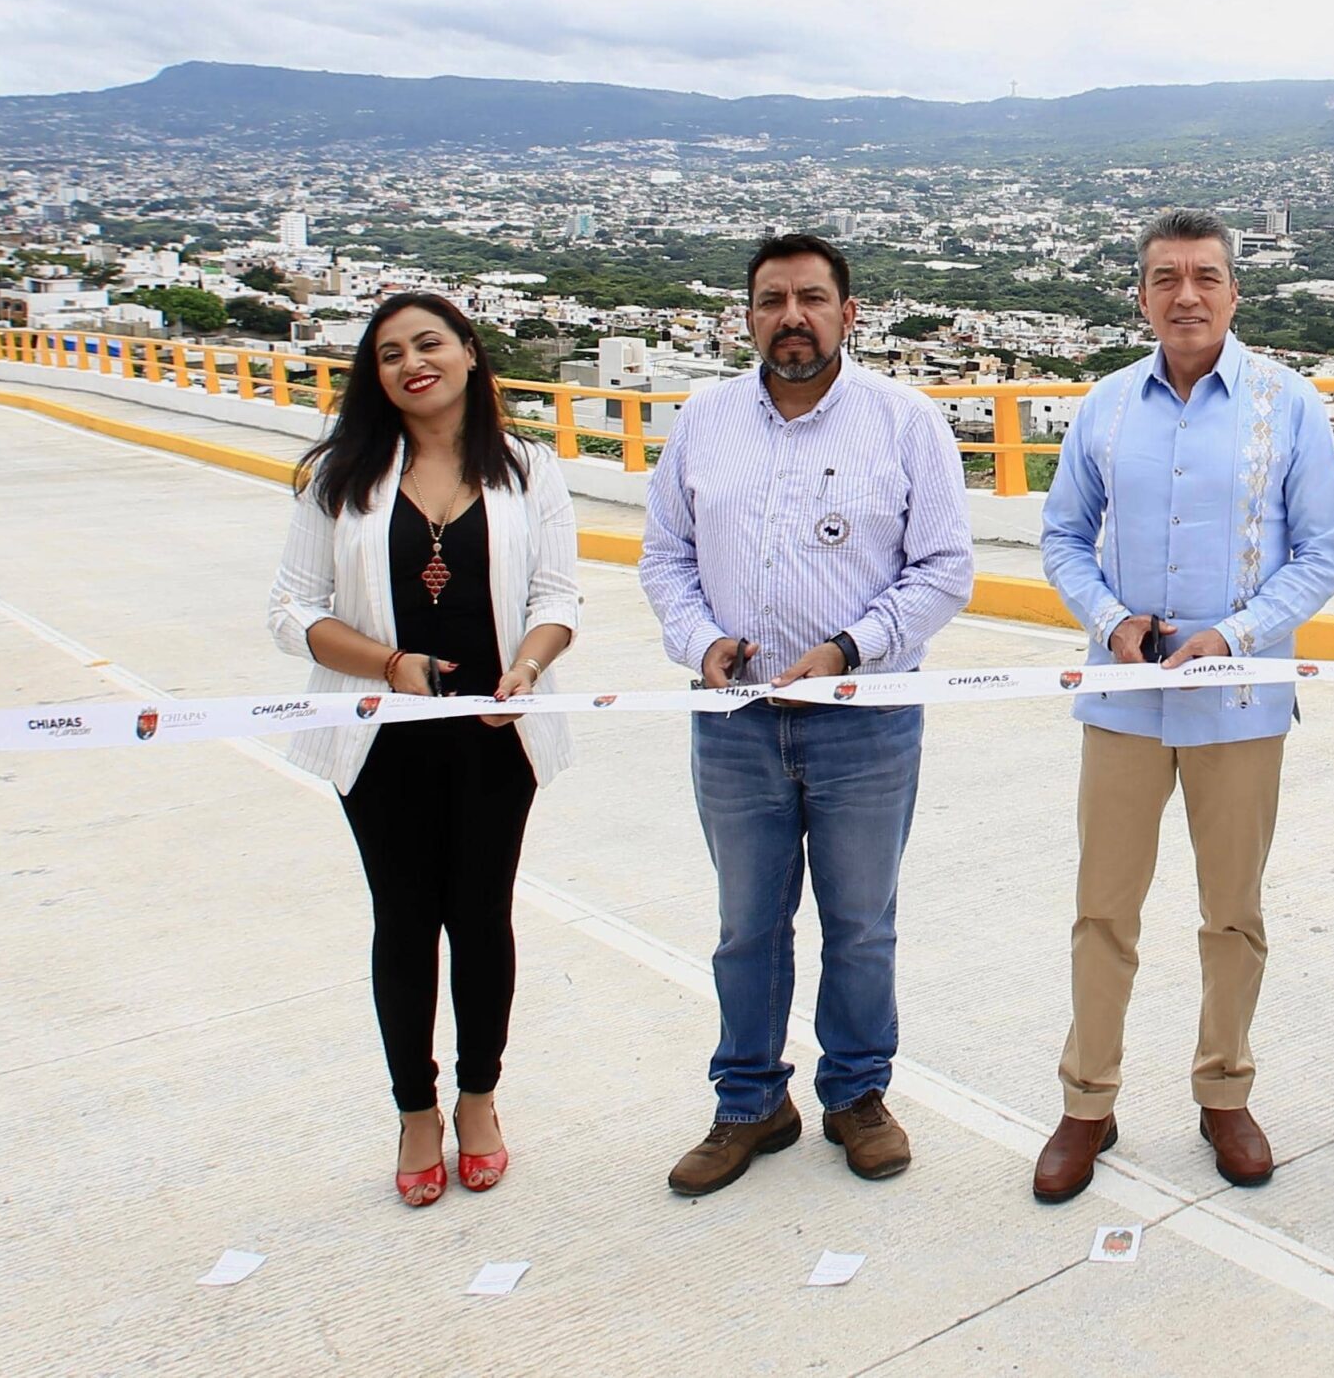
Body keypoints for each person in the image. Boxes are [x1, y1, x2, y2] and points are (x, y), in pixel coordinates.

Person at [641, 233, 974, 1197]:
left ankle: (858, 1094)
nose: (793, 316)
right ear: (747, 317)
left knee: (861, 922)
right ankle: (748, 1101)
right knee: (747, 925)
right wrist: (702, 643)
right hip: (737, 722)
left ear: (848, 313)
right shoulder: (703, 422)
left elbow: (945, 567)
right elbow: (665, 557)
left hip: (865, 717)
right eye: (772, 299)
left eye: (812, 298)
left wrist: (848, 648)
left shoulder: (905, 421)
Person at [1031, 208, 1334, 1202]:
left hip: (1239, 699)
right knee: (1102, 911)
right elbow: (1063, 538)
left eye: (1205, 276)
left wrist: (1234, 635)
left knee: (1233, 914)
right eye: (1165, 277)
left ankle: (1224, 1091)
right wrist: (1112, 621)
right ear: (1141, 294)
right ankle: (1088, 1102)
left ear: (1233, 291)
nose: (1186, 295)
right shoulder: (1105, 407)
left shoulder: (1287, 405)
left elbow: (1321, 554)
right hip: (1123, 696)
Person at [268, 291, 582, 1207]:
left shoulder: (530, 467)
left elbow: (559, 597)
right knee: (404, 920)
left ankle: (479, 1100)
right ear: (375, 375)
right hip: (382, 738)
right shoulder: (339, 475)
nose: (413, 362)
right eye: (391, 351)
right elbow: (291, 611)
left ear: (471, 353)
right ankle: (415, 1111)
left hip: (497, 733)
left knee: (481, 917)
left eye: (430, 342)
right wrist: (391, 664)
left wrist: (526, 667)